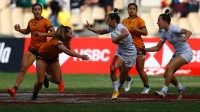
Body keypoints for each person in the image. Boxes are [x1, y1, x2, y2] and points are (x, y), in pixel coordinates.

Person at [7, 3, 64, 97]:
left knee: (51, 73)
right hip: (32, 50)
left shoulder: (46, 22)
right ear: (33, 11)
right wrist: (19, 30)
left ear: (41, 11)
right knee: (23, 69)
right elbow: (27, 31)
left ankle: (59, 82)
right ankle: (14, 89)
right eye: (35, 9)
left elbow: (54, 33)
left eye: (39, 9)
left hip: (43, 51)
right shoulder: (30, 21)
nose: (37, 11)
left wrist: (42, 35)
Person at [139, 9, 193, 100]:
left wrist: (185, 39)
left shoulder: (173, 28)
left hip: (186, 52)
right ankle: (180, 88)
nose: (157, 23)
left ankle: (163, 92)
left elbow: (189, 32)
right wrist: (144, 49)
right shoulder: (164, 33)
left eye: (159, 21)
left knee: (169, 68)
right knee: (166, 74)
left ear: (165, 21)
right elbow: (157, 48)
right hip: (177, 53)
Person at [86, 8, 137, 99]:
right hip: (121, 52)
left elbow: (125, 33)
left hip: (131, 54)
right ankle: (115, 90)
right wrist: (90, 29)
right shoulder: (111, 27)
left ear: (113, 20)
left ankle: (120, 86)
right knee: (112, 68)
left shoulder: (121, 27)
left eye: (108, 19)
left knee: (123, 76)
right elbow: (101, 32)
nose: (106, 21)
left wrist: (115, 40)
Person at [32, 25, 89, 100]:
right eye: (70, 33)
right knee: (40, 81)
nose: (71, 35)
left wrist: (41, 34)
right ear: (64, 34)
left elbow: (69, 49)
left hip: (53, 58)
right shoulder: (57, 42)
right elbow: (67, 51)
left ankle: (47, 78)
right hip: (42, 57)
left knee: (58, 80)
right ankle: (35, 93)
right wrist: (80, 56)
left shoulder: (65, 41)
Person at [122, 3, 150, 93]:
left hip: (138, 47)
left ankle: (146, 86)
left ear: (136, 10)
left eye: (134, 9)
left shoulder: (140, 21)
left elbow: (145, 33)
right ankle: (129, 79)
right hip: (127, 48)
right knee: (121, 66)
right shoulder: (124, 21)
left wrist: (137, 30)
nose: (132, 10)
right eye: (130, 8)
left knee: (139, 69)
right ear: (127, 10)